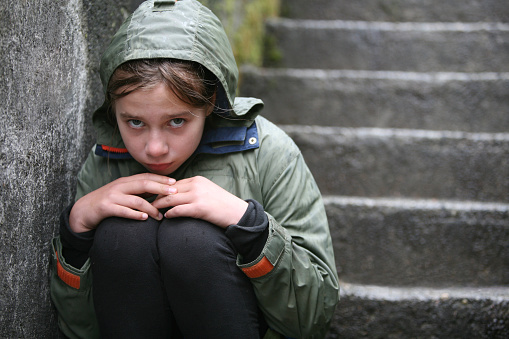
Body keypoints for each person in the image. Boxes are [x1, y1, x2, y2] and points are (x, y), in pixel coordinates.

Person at [49, 0, 339, 338]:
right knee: (120, 235)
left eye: (176, 121)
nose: (154, 147)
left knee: (190, 239)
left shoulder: (268, 152)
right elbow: (78, 330)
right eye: (135, 122)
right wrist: (76, 232)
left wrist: (251, 228)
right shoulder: (106, 159)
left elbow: (313, 319)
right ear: (114, 112)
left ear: (210, 104)